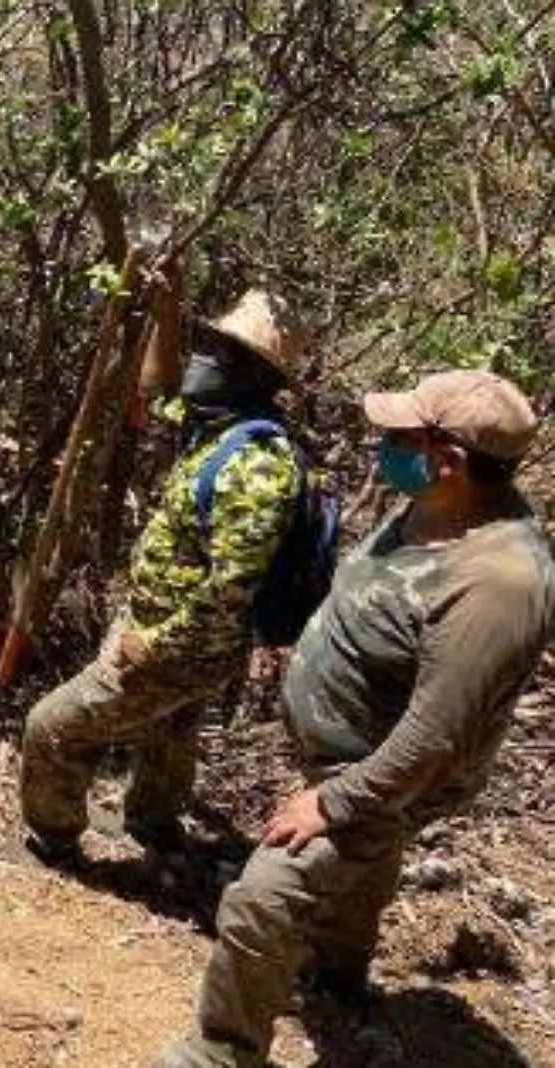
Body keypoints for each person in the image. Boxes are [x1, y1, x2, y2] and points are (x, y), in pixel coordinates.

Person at [152, 369, 554, 1068]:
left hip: (386, 772)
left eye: (402, 436)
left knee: (261, 899)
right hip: (359, 753)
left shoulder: (499, 584)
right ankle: (338, 974)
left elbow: (437, 739)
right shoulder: (437, 504)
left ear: (449, 459)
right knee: (360, 871)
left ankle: (221, 1051)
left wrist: (335, 802)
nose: (385, 445)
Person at [20, 290, 312, 864]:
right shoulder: (217, 426)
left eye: (218, 350)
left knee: (53, 727)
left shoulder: (257, 465)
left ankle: (52, 840)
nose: (202, 359)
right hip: (167, 636)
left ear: (250, 374)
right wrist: (163, 305)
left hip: (178, 648)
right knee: (171, 731)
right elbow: (152, 392)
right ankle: (155, 823)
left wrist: (150, 644)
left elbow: (230, 591)